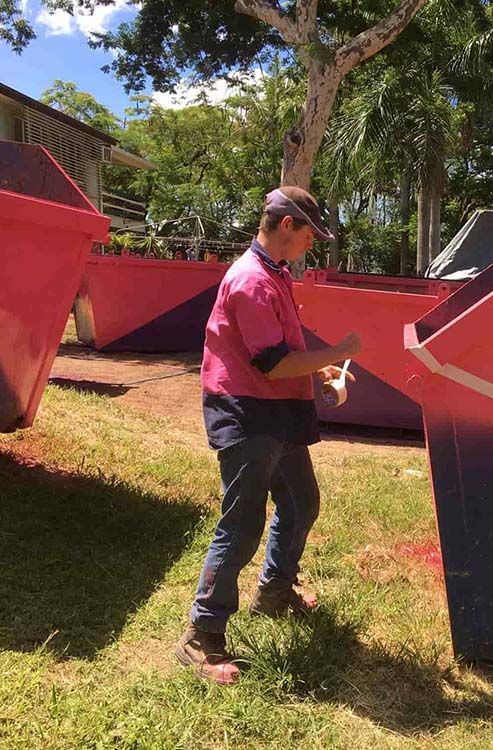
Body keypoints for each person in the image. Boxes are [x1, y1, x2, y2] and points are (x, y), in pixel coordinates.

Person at [175, 186, 361, 686]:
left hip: (277, 408)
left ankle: (275, 592)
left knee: (301, 501)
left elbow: (280, 351)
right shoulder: (251, 281)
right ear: (285, 226)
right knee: (241, 523)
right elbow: (273, 364)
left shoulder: (275, 275)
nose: (311, 244)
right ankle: (202, 634)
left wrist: (319, 373)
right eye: (308, 234)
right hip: (248, 412)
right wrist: (337, 351)